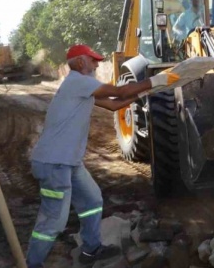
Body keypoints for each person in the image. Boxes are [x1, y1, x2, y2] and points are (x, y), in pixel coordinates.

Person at [26, 44, 179, 267]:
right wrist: (158, 80)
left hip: (69, 162)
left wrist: (147, 91)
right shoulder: (79, 81)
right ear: (80, 62)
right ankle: (33, 263)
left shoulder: (82, 87)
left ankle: (91, 249)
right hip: (54, 163)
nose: (98, 64)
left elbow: (113, 105)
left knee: (92, 199)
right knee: (53, 221)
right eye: (93, 60)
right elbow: (119, 92)